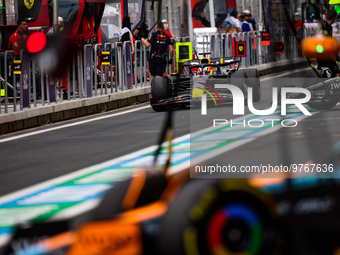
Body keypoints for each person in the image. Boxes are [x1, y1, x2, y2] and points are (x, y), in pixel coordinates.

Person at [318, 9, 340, 76]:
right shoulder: (324, 26)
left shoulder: (329, 27)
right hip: (324, 55)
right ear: (334, 18)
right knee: (336, 73)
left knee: (330, 75)